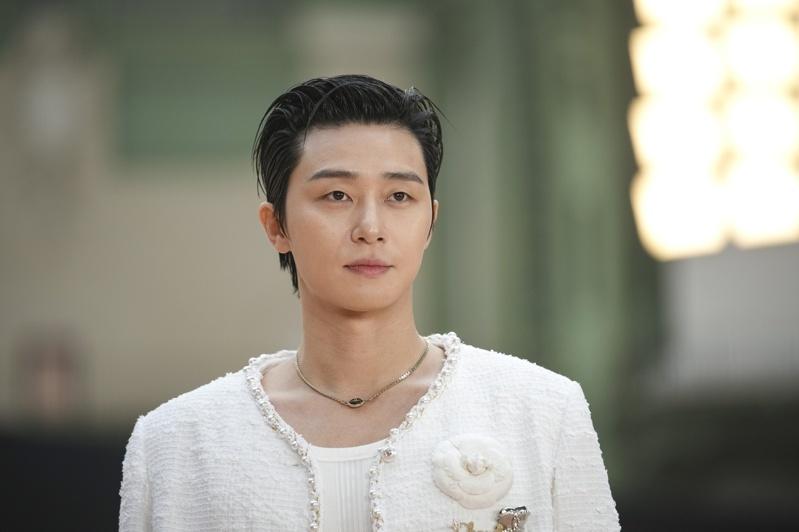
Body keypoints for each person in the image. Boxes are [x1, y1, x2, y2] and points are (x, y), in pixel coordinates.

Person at [118, 74, 620, 532]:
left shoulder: (542, 412)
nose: (371, 229)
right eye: (337, 195)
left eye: (399, 197)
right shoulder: (177, 444)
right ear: (276, 226)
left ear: (430, 221)